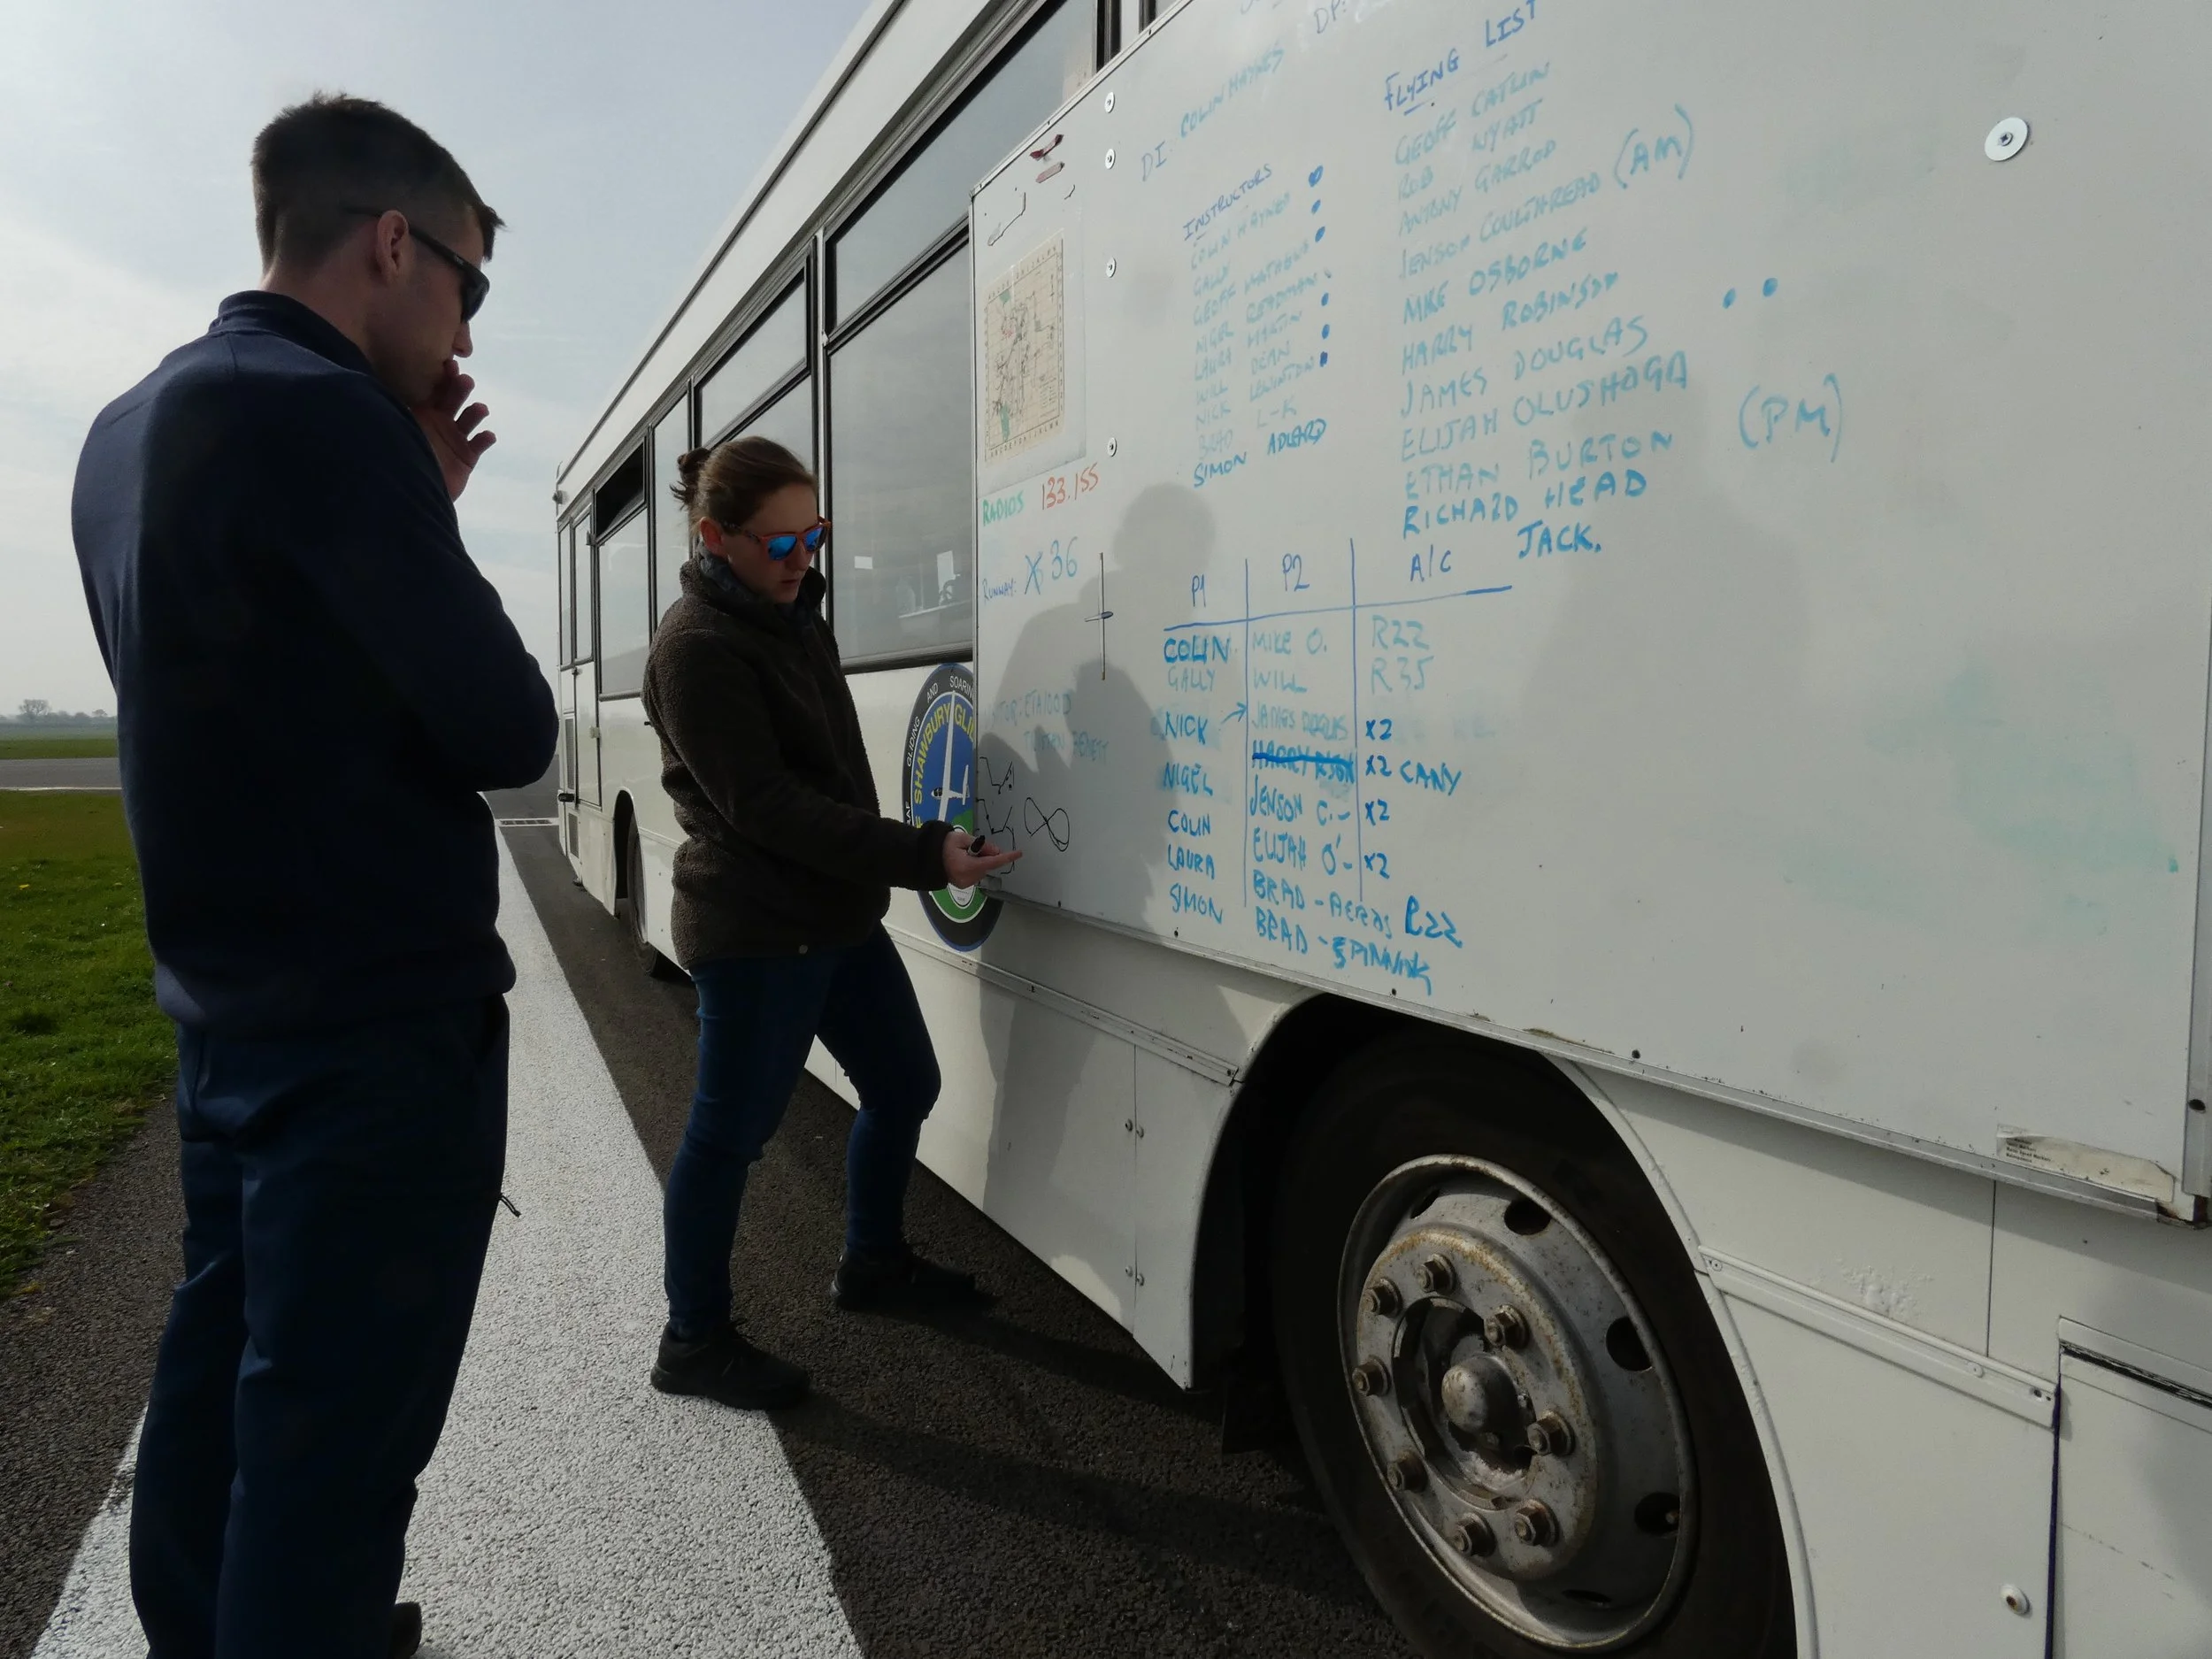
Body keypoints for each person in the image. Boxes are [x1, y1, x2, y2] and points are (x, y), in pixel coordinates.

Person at [71, 95, 554, 1659]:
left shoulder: (124, 429)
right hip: (374, 1037)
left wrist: (410, 500)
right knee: (335, 1455)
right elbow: (507, 725)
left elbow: (254, 698)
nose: (467, 331)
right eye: (470, 282)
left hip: (225, 1018)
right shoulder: (329, 419)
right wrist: (421, 499)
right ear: (393, 242)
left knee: (217, 1386)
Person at [641, 436, 1019, 1410]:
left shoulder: (793, 615)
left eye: (814, 535)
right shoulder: (695, 648)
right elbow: (769, 808)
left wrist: (896, 857)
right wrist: (923, 854)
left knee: (905, 1082)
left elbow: (831, 777)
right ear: (714, 538)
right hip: (757, 932)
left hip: (836, 915)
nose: (802, 557)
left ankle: (872, 1261)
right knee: (730, 1137)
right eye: (780, 543)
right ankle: (692, 1340)